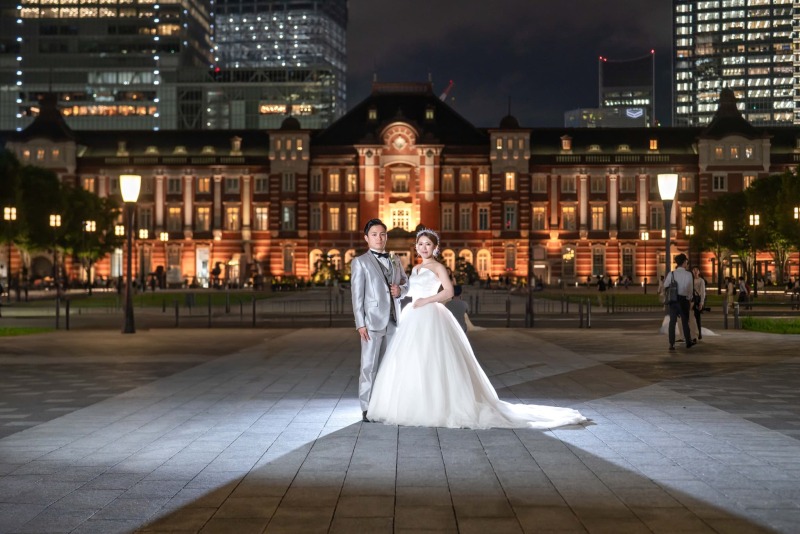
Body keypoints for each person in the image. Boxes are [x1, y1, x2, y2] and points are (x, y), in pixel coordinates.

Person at [367, 228, 586, 430]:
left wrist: (426, 301)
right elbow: (411, 290)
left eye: (428, 244)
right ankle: (413, 402)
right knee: (412, 360)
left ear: (435, 248)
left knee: (434, 358)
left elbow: (449, 292)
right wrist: (400, 291)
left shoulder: (438, 267)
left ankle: (437, 405)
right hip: (413, 316)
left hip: (430, 314)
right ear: (416, 246)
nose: (424, 248)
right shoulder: (415, 268)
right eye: (421, 244)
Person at [351, 218, 409, 423]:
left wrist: (401, 290)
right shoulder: (360, 262)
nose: (379, 238)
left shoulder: (395, 259)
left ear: (386, 236)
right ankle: (366, 407)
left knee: (392, 364)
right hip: (371, 321)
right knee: (369, 366)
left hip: (394, 320)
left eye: (382, 234)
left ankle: (388, 404)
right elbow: (357, 296)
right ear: (367, 238)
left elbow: (406, 282)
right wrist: (360, 323)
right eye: (374, 234)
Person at [664, 254, 695, 351]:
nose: (687, 264)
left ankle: (671, 344)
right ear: (684, 262)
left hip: (673, 300)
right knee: (685, 321)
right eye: (686, 262)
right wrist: (689, 299)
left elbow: (665, 285)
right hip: (683, 300)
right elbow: (690, 290)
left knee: (672, 322)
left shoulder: (672, 274)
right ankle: (688, 342)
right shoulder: (688, 274)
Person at [692, 267, 706, 340]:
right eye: (694, 270)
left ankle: (699, 333)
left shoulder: (701, 280)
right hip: (691, 300)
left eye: (696, 270)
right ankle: (693, 333)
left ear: (699, 272)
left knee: (697, 317)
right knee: (691, 317)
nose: (695, 271)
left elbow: (703, 292)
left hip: (697, 299)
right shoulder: (690, 280)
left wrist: (701, 302)